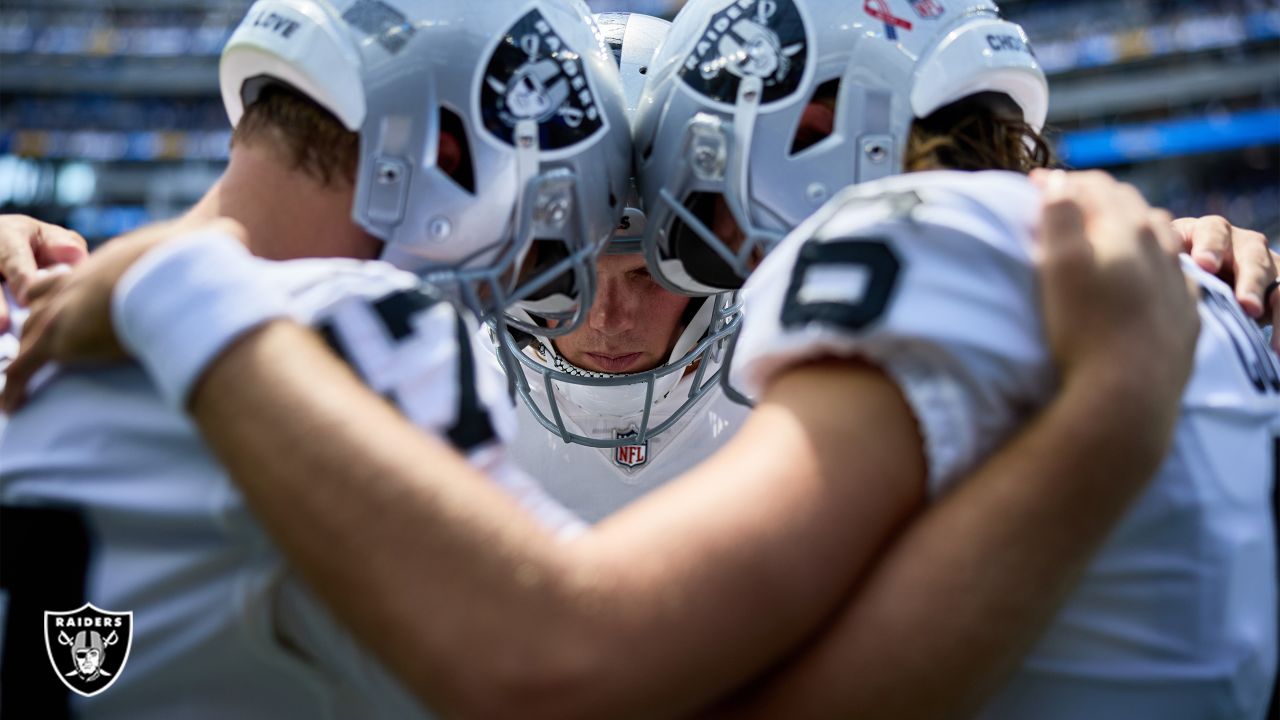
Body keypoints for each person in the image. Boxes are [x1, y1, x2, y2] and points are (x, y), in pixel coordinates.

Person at [2, 6, 1229, 719]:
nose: (604, 301)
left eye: (674, 259)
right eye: (567, 252)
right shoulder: (1133, 287)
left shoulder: (119, 313)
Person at [0, 0, 629, 717]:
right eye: (540, 227)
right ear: (444, 155)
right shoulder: (352, 324)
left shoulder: (26, 302)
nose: (520, 274)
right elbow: (567, 652)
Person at [500, 12, 751, 521]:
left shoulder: (782, 400)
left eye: (649, 274)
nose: (608, 320)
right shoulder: (442, 401)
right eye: (574, 272)